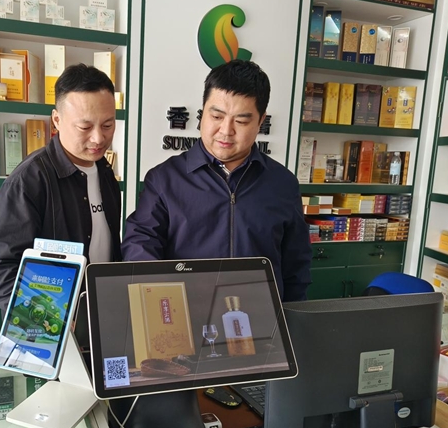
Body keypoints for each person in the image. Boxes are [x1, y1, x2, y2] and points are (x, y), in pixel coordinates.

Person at [122, 59, 311, 301]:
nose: (226, 130)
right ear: (203, 112)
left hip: (261, 316)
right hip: (187, 312)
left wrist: (291, 315)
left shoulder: (282, 184)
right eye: (217, 116)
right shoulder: (164, 179)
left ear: (260, 121)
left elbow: (296, 264)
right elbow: (140, 246)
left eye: (241, 121)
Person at [0, 64, 122, 340]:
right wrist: (43, 317)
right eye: (85, 126)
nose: (98, 138)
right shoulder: (30, 180)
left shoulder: (105, 173)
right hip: (44, 334)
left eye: (108, 125)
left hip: (96, 325)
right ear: (56, 120)